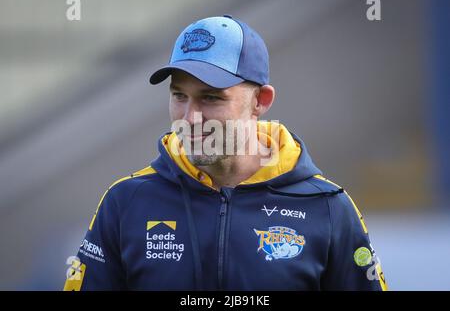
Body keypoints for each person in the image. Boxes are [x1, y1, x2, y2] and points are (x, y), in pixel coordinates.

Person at [64, 15, 387, 291]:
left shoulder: (327, 207)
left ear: (260, 100)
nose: (190, 118)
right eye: (179, 96)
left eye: (211, 98)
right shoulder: (126, 202)